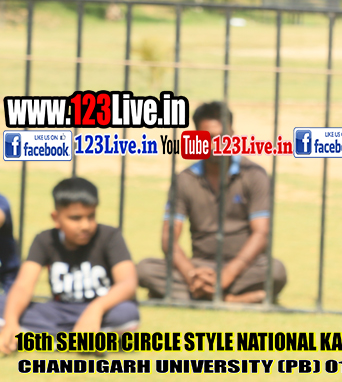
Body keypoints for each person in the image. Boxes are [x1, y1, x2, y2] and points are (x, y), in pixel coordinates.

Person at [136, 101, 286, 303]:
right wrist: (191, 275)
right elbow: (168, 237)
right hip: (200, 266)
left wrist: (227, 275)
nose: (216, 144)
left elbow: (261, 234)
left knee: (275, 271)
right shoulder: (185, 180)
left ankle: (195, 296)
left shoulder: (254, 175)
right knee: (144, 269)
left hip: (244, 267)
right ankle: (232, 299)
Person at [0, 177, 138, 352]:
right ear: (56, 218)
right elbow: (23, 286)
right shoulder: (44, 239)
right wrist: (11, 322)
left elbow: (128, 283)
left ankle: (50, 339)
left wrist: (96, 309)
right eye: (75, 218)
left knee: (127, 312)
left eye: (91, 216)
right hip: (58, 312)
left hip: (102, 310)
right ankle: (81, 339)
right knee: (4, 304)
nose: (85, 225)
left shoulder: (110, 236)